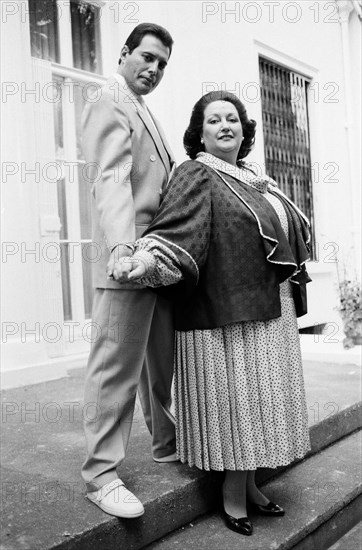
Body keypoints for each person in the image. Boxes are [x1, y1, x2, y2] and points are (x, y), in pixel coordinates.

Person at [111, 91, 312, 535]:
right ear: (199, 133)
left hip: (269, 310)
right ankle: (233, 495)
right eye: (214, 120)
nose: (225, 125)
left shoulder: (256, 178)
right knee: (239, 405)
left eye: (233, 119)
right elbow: (174, 230)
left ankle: (253, 487)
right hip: (223, 313)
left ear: (244, 129)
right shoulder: (197, 173)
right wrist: (143, 261)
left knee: (260, 403)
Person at [81, 23, 177, 519]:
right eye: (146, 57)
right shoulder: (109, 100)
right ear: (124, 53)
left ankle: (165, 442)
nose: (154, 68)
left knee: (158, 362)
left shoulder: (145, 110)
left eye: (162, 63)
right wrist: (123, 251)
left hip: (157, 259)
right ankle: (100, 473)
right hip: (127, 260)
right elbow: (112, 178)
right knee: (114, 369)